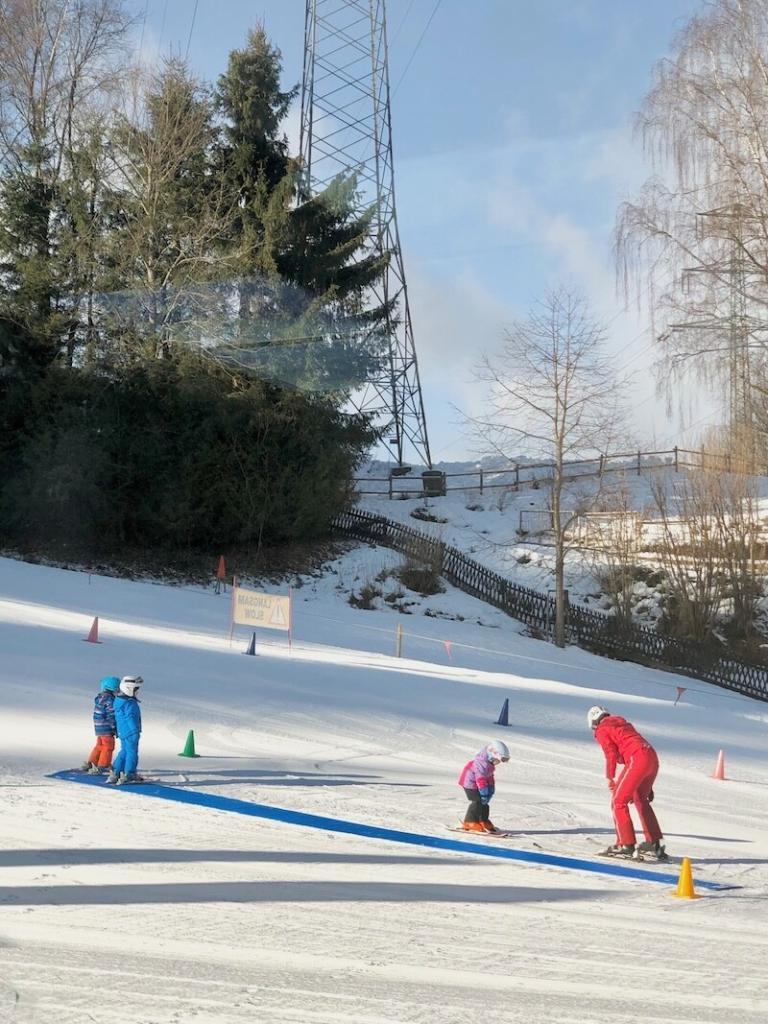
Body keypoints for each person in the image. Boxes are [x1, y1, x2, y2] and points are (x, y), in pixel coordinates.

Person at [587, 705, 666, 860]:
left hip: (637, 758)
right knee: (640, 799)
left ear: (594, 723)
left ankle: (626, 845)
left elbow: (611, 754)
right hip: (651, 756)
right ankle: (655, 843)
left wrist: (610, 776)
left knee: (618, 801)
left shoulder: (602, 729)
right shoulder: (622, 723)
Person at [457, 740, 510, 833]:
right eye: (496, 760)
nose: (497, 763)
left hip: (478, 784)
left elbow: (489, 776)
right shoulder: (481, 764)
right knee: (477, 801)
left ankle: (483, 820)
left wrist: (491, 787)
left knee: (484, 803)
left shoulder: (488, 764)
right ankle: (469, 821)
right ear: (491, 756)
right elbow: (480, 779)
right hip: (469, 783)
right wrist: (484, 792)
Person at [107, 676, 144, 785]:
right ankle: (129, 773)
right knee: (132, 752)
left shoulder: (119, 701)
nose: (137, 692)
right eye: (136, 690)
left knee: (124, 751)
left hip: (122, 731)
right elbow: (130, 718)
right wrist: (135, 731)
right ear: (129, 689)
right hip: (130, 732)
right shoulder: (129, 703)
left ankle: (116, 771)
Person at [81, 676, 119, 774]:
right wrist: (114, 727)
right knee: (108, 746)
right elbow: (111, 714)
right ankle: (103, 765)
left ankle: (91, 762)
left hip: (99, 727)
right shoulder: (110, 700)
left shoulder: (99, 698)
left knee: (99, 745)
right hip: (106, 727)